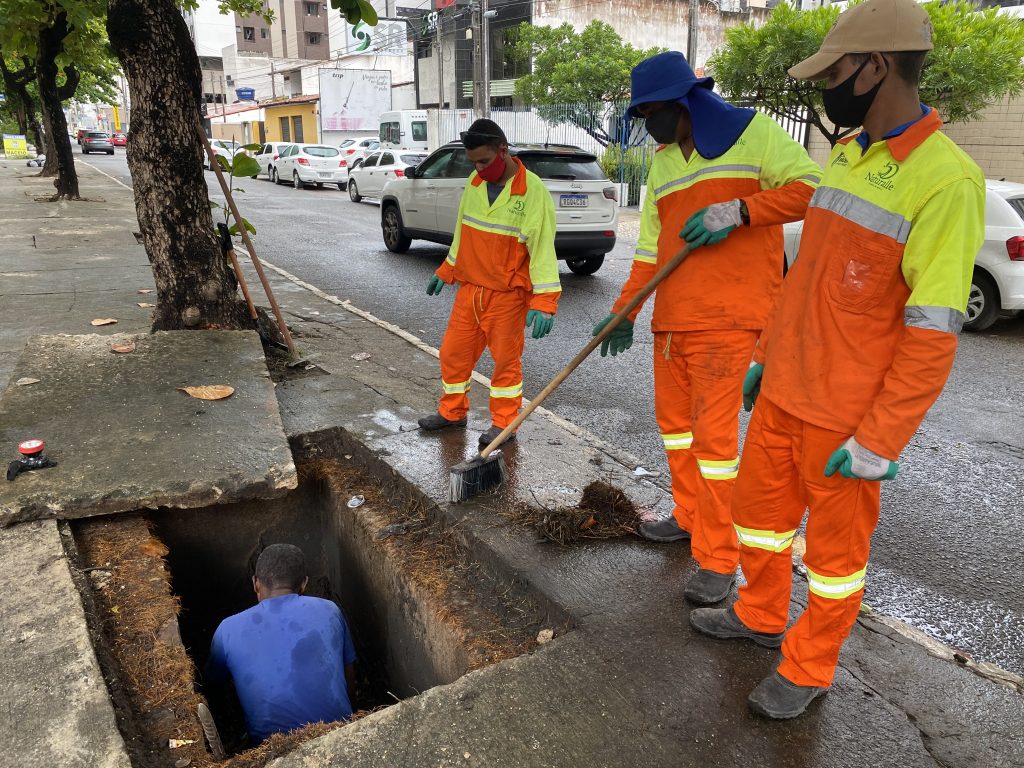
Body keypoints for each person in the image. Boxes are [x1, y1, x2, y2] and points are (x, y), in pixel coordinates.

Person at [690, 0, 985, 719]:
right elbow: (803, 282)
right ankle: (760, 613)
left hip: (844, 421)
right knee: (757, 519)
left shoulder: (946, 182)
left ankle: (809, 666)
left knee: (832, 561)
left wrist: (880, 440)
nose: (826, 87)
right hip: (784, 393)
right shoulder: (847, 154)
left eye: (833, 73)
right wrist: (766, 357)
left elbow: (932, 331)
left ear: (875, 66)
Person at [594, 51, 821, 604]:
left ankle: (719, 558)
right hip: (672, 324)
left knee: (716, 450)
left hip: (730, 323)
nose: (648, 125)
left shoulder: (754, 135)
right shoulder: (664, 164)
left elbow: (815, 188)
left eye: (651, 113)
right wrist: (626, 311)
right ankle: (689, 515)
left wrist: (738, 212)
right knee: (677, 432)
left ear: (682, 103)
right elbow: (649, 252)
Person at [417, 118, 560, 449]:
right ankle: (452, 412)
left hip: (507, 296)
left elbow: (542, 251)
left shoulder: (532, 191)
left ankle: (504, 425)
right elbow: (464, 232)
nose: (479, 169)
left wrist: (545, 302)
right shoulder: (475, 183)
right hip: (471, 290)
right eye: (474, 163)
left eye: (484, 161)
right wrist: (447, 269)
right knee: (453, 354)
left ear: (503, 150)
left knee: (505, 365)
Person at [206, 544, 357, 744]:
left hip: (272, 749)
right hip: (341, 735)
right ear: (304, 584)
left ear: (255, 583)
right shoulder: (330, 610)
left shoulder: (227, 629)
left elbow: (212, 689)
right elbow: (350, 680)